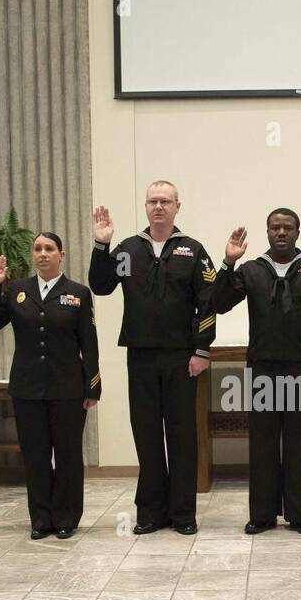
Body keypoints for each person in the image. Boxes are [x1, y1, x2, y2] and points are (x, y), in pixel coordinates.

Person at [88, 181, 216, 535]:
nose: (158, 206)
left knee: (181, 435)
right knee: (146, 434)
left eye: (165, 201)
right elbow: (100, 285)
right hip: (141, 355)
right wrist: (102, 244)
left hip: (181, 358)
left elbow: (208, 301)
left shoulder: (192, 250)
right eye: (152, 201)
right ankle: (150, 514)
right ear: (146, 207)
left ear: (178, 206)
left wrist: (202, 350)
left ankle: (183, 514)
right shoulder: (129, 249)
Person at [214, 208, 301, 536]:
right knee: (262, 445)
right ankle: (262, 515)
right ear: (267, 232)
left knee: (299, 445)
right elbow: (218, 302)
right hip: (262, 369)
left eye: (287, 227)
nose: (281, 232)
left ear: (298, 232)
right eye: (274, 227)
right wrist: (228, 263)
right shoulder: (252, 270)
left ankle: (300, 515)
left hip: (299, 369)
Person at [0, 233, 100, 539]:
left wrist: (92, 387)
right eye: (37, 249)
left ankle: (67, 518)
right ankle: (41, 519)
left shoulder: (78, 293)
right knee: (35, 456)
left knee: (68, 455)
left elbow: (89, 342)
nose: (42, 254)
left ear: (62, 254)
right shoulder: (18, 290)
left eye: (49, 249)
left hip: (68, 389)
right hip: (27, 389)